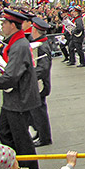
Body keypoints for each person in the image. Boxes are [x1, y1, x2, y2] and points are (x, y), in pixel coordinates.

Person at [0, 9, 42, 169]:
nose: (2, 26)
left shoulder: (19, 45)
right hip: (13, 99)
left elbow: (12, 76)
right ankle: (16, 164)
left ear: (13, 25)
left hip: (19, 99)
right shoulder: (15, 43)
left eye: (4, 23)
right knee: (3, 131)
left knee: (22, 139)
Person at [29, 17, 53, 147]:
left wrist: (29, 76)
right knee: (36, 112)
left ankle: (44, 137)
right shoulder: (39, 43)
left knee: (40, 112)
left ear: (36, 31)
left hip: (40, 84)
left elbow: (43, 68)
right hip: (38, 83)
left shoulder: (42, 46)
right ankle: (40, 132)